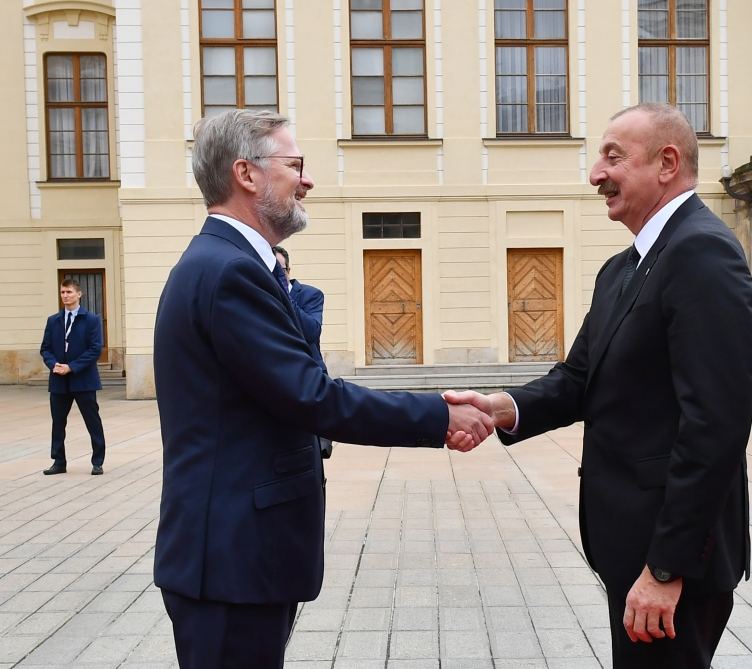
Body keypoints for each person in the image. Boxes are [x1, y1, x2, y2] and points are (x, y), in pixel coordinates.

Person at [152, 109, 492, 669]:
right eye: (295, 165)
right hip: (230, 562)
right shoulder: (228, 271)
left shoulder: (229, 264)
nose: (306, 181)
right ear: (247, 174)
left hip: (236, 557)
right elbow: (312, 396)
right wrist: (440, 416)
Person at [446, 103, 752, 668]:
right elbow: (578, 379)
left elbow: (716, 427)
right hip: (631, 547)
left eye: (613, 156)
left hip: (670, 560)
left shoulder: (701, 253)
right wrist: (502, 408)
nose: (595, 174)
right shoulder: (622, 268)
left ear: (667, 163)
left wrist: (667, 569)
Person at [39, 278, 106, 476]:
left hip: (83, 380)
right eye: (62, 292)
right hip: (59, 380)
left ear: (79, 294)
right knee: (58, 423)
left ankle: (98, 461)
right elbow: (45, 348)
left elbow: (95, 349)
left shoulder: (91, 319)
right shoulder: (53, 321)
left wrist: (72, 367)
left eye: (69, 292)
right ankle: (59, 462)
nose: (65, 296)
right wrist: (54, 365)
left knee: (92, 421)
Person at [272, 245, 333, 458]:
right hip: (274, 384)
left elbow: (311, 332)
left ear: (288, 271)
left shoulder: (310, 295)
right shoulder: (258, 297)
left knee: (311, 456)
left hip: (308, 382)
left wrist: (281, 294)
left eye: (279, 270)